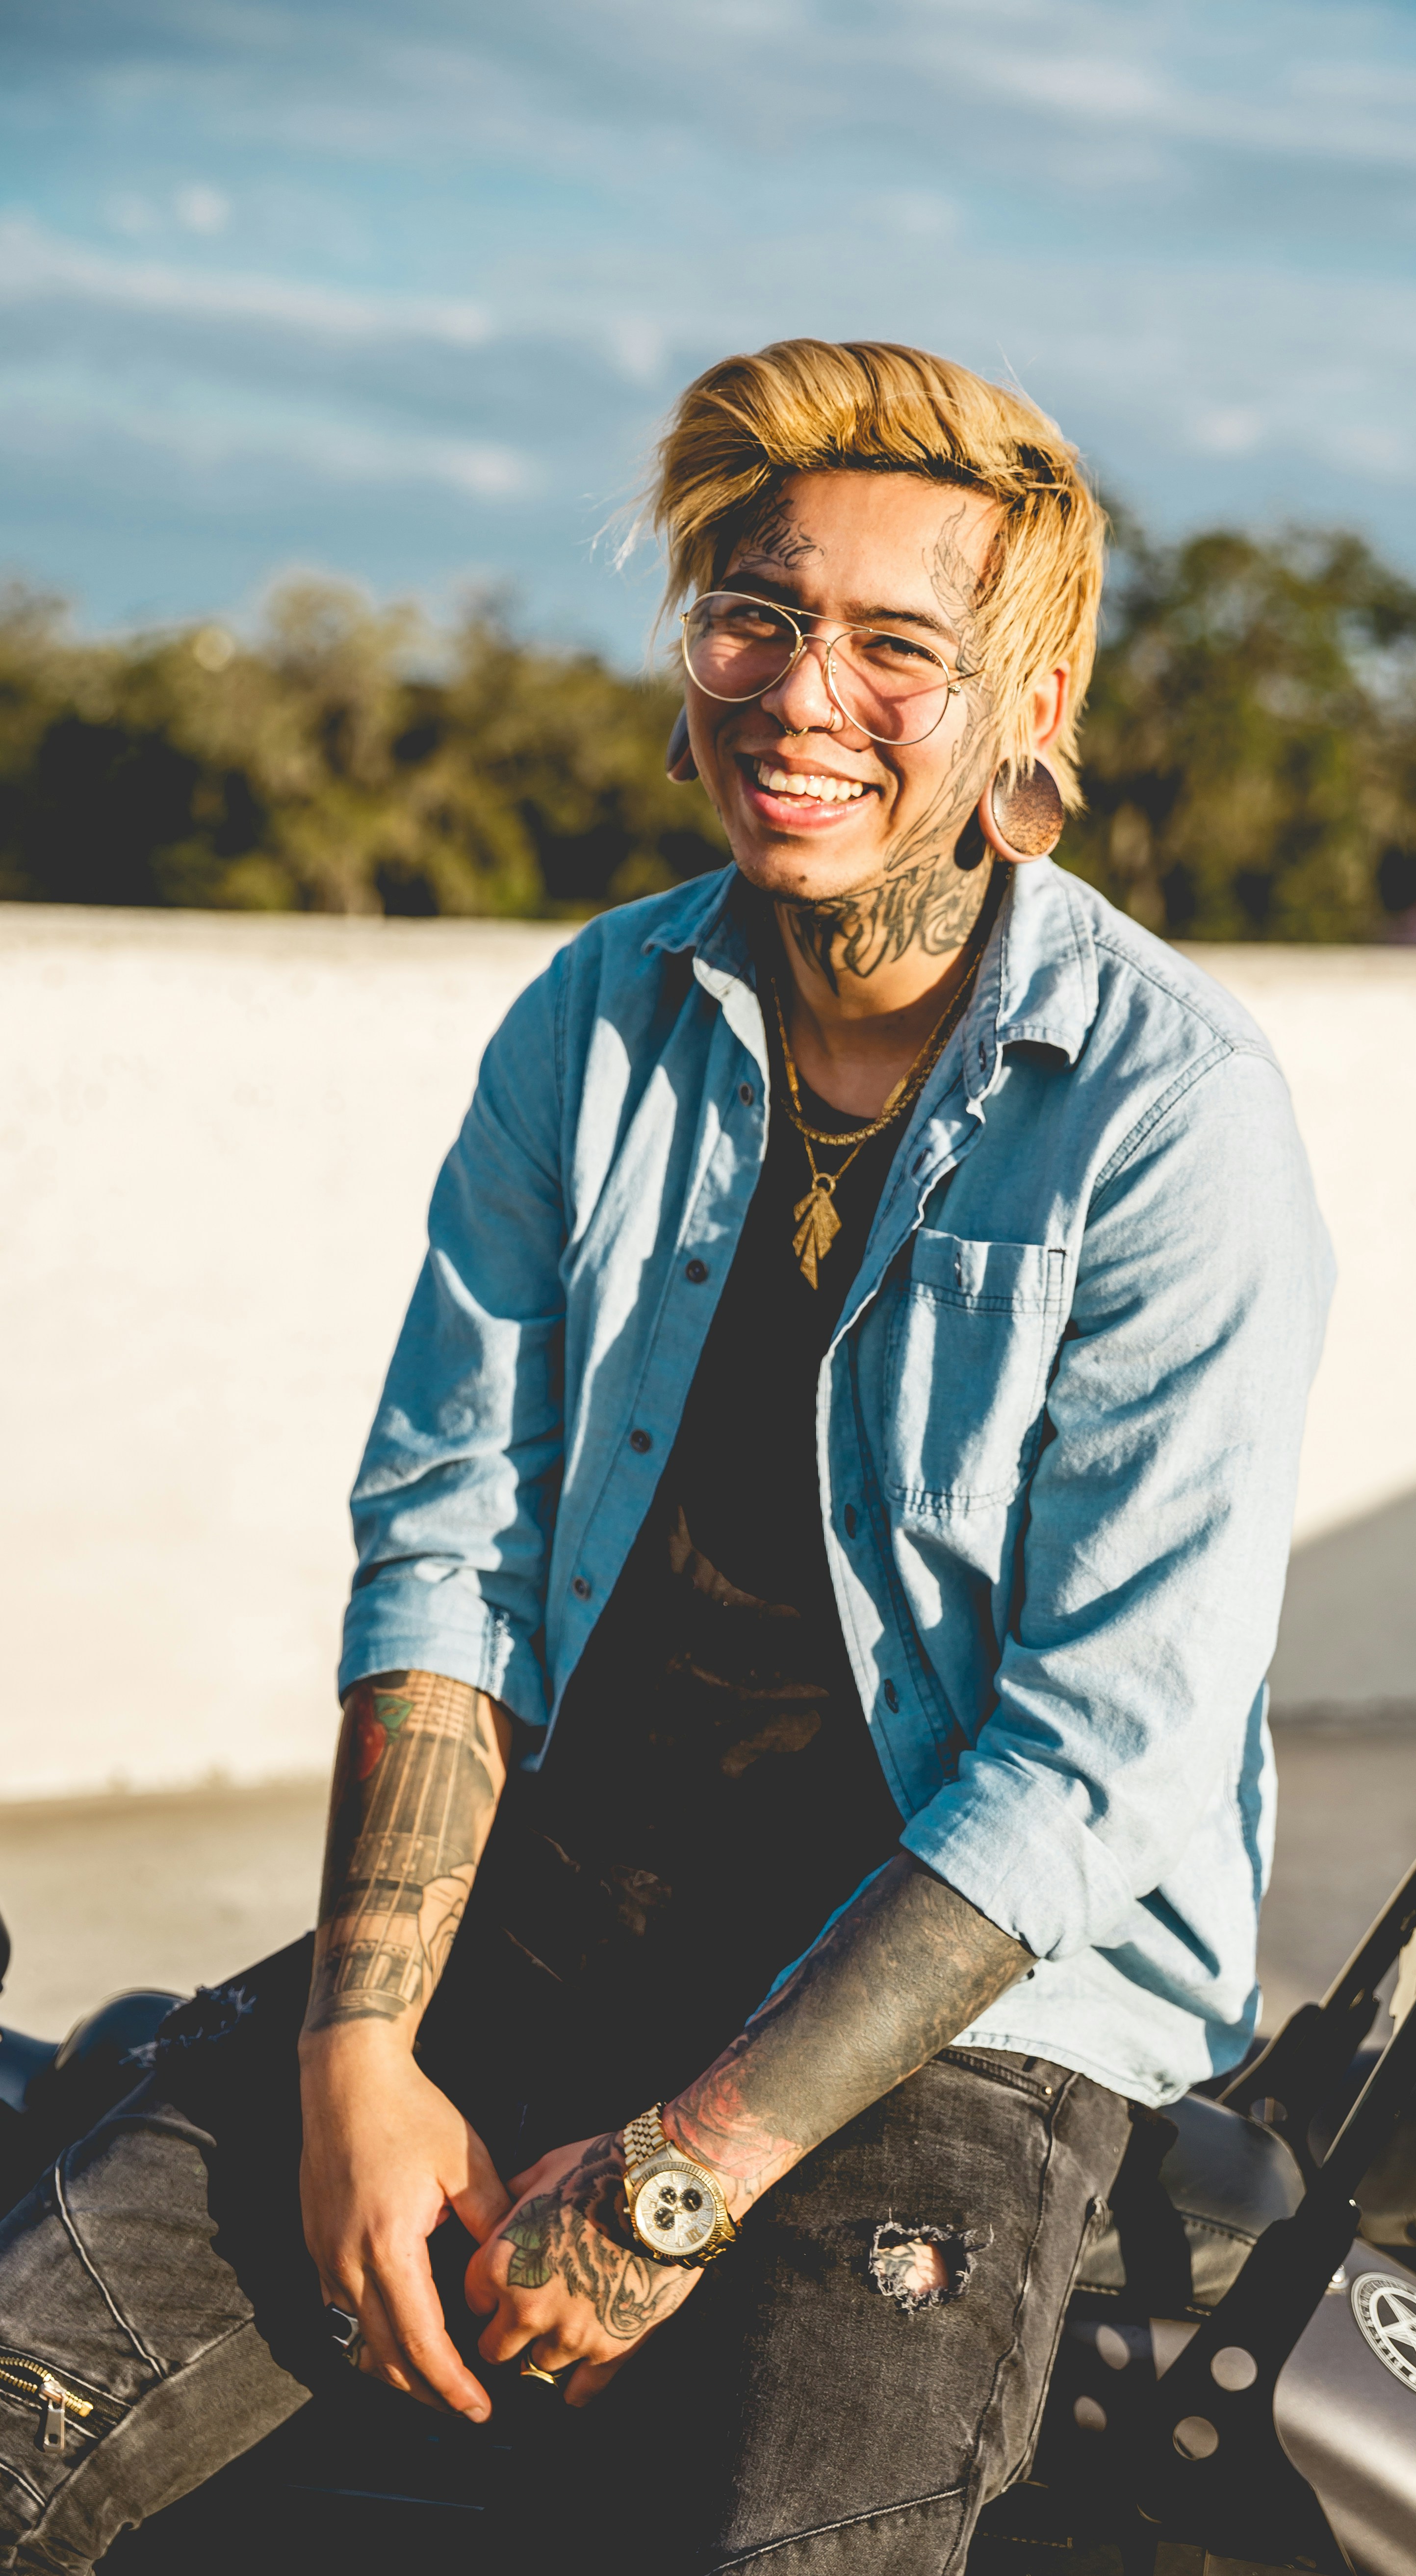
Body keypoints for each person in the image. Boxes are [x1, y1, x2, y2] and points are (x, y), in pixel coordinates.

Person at [0, 340, 1332, 2572]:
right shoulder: (589, 1025)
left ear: (1032, 691)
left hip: (939, 2023)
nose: (797, 690)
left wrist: (673, 2176)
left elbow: (1099, 1759)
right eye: (748, 614)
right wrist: (357, 2043)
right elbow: (448, 1550)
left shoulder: (1169, 1116)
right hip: (542, 1915)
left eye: (895, 643)